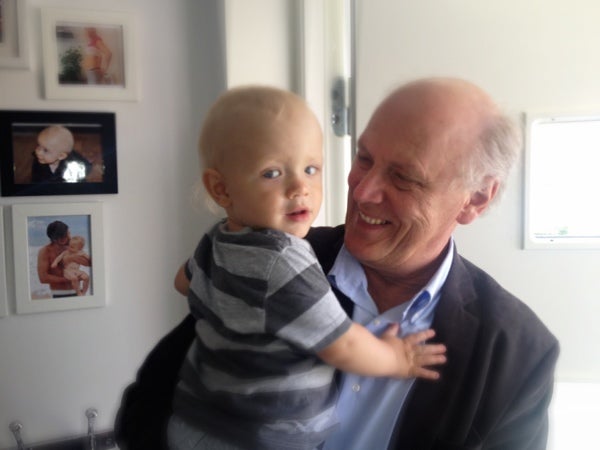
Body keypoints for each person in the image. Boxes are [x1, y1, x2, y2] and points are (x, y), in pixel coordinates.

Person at [115, 77, 560, 450]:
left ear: (476, 198)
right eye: (364, 158)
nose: (362, 192)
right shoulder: (268, 259)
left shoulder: (518, 354)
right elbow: (146, 408)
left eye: (404, 177)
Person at [167, 86, 446, 450]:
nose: (300, 187)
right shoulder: (283, 261)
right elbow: (342, 345)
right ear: (221, 189)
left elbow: (183, 282)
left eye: (311, 169)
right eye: (272, 173)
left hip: (195, 421)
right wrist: (396, 359)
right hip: (263, 438)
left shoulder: (215, 241)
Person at [37, 221, 91, 298]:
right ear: (54, 238)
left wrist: (73, 258)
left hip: (78, 291)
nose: (68, 237)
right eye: (63, 236)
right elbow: (43, 278)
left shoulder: (73, 246)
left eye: (67, 233)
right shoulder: (45, 251)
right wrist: (71, 279)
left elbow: (89, 263)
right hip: (59, 293)